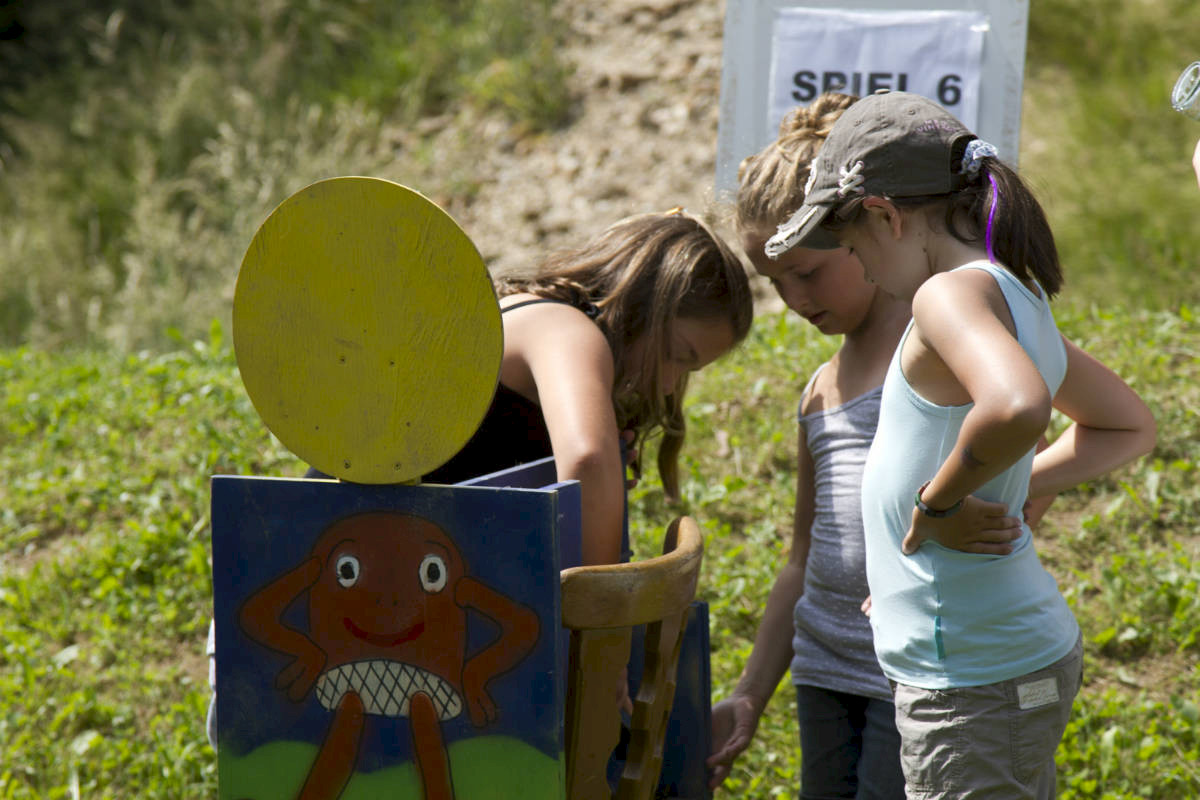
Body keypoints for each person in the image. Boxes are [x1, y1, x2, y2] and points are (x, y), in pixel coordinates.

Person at [209, 208, 754, 747]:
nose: (670, 385)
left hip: (340, 578)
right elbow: (587, 461)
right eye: (679, 357)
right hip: (330, 598)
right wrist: (602, 640)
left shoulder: (533, 314)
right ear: (648, 306)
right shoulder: (567, 330)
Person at [763, 90, 1156, 798]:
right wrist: (1015, 488)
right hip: (998, 657)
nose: (864, 268)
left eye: (853, 246)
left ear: (885, 216)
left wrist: (936, 506)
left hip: (970, 683)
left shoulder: (945, 297)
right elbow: (1126, 425)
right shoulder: (1016, 296)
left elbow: (1016, 404)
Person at [706, 93, 1022, 799]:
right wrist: (750, 695)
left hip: (909, 669)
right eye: (773, 281)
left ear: (858, 234)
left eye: (807, 272)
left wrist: (973, 510)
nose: (792, 298)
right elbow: (800, 560)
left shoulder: (940, 349)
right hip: (823, 673)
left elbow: (1024, 440)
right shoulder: (819, 389)